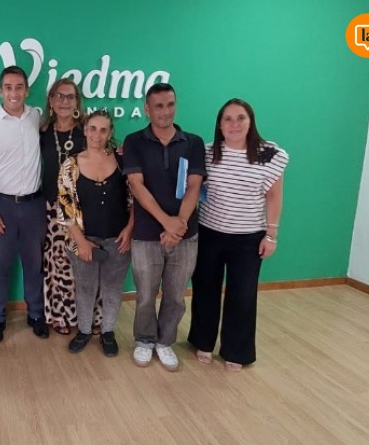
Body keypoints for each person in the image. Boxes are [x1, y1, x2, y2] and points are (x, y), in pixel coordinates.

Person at [188, 98, 288, 371]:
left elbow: (274, 196)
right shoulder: (207, 153)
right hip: (209, 232)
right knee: (205, 289)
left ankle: (237, 350)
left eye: (240, 118)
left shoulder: (270, 154)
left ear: (250, 121)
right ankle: (202, 341)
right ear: (220, 125)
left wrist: (271, 235)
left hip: (248, 237)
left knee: (242, 295)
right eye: (228, 119)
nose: (234, 124)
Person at [123, 83, 206, 371]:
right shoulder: (134, 141)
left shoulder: (193, 143)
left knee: (175, 295)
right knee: (146, 294)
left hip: (185, 236)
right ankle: (145, 340)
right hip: (146, 234)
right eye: (158, 106)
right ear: (147, 109)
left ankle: (165, 341)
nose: (165, 111)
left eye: (170, 104)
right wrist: (166, 223)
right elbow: (137, 186)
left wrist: (178, 226)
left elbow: (194, 185)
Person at [0, 65, 49, 344]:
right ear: (0, 91)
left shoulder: (36, 117)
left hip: (34, 204)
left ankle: (36, 314)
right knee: (1, 266)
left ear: (27, 90)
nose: (14, 92)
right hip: (2, 205)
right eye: (8, 87)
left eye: (19, 87)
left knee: (34, 264)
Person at [57, 110, 133, 356]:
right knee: (85, 288)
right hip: (84, 240)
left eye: (103, 130)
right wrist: (81, 242)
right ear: (85, 130)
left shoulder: (122, 161)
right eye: (92, 129)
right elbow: (65, 207)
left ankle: (108, 332)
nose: (97, 135)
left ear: (109, 133)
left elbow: (135, 199)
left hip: (118, 239)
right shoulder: (70, 165)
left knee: (113, 288)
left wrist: (129, 230)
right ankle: (84, 331)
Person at [40, 79, 103, 336]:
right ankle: (60, 314)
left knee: (87, 264)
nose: (64, 101)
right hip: (53, 209)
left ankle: (93, 317)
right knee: (59, 264)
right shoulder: (43, 132)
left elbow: (106, 159)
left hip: (84, 210)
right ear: (51, 101)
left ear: (77, 101)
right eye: (59, 96)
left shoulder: (87, 132)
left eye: (69, 96)